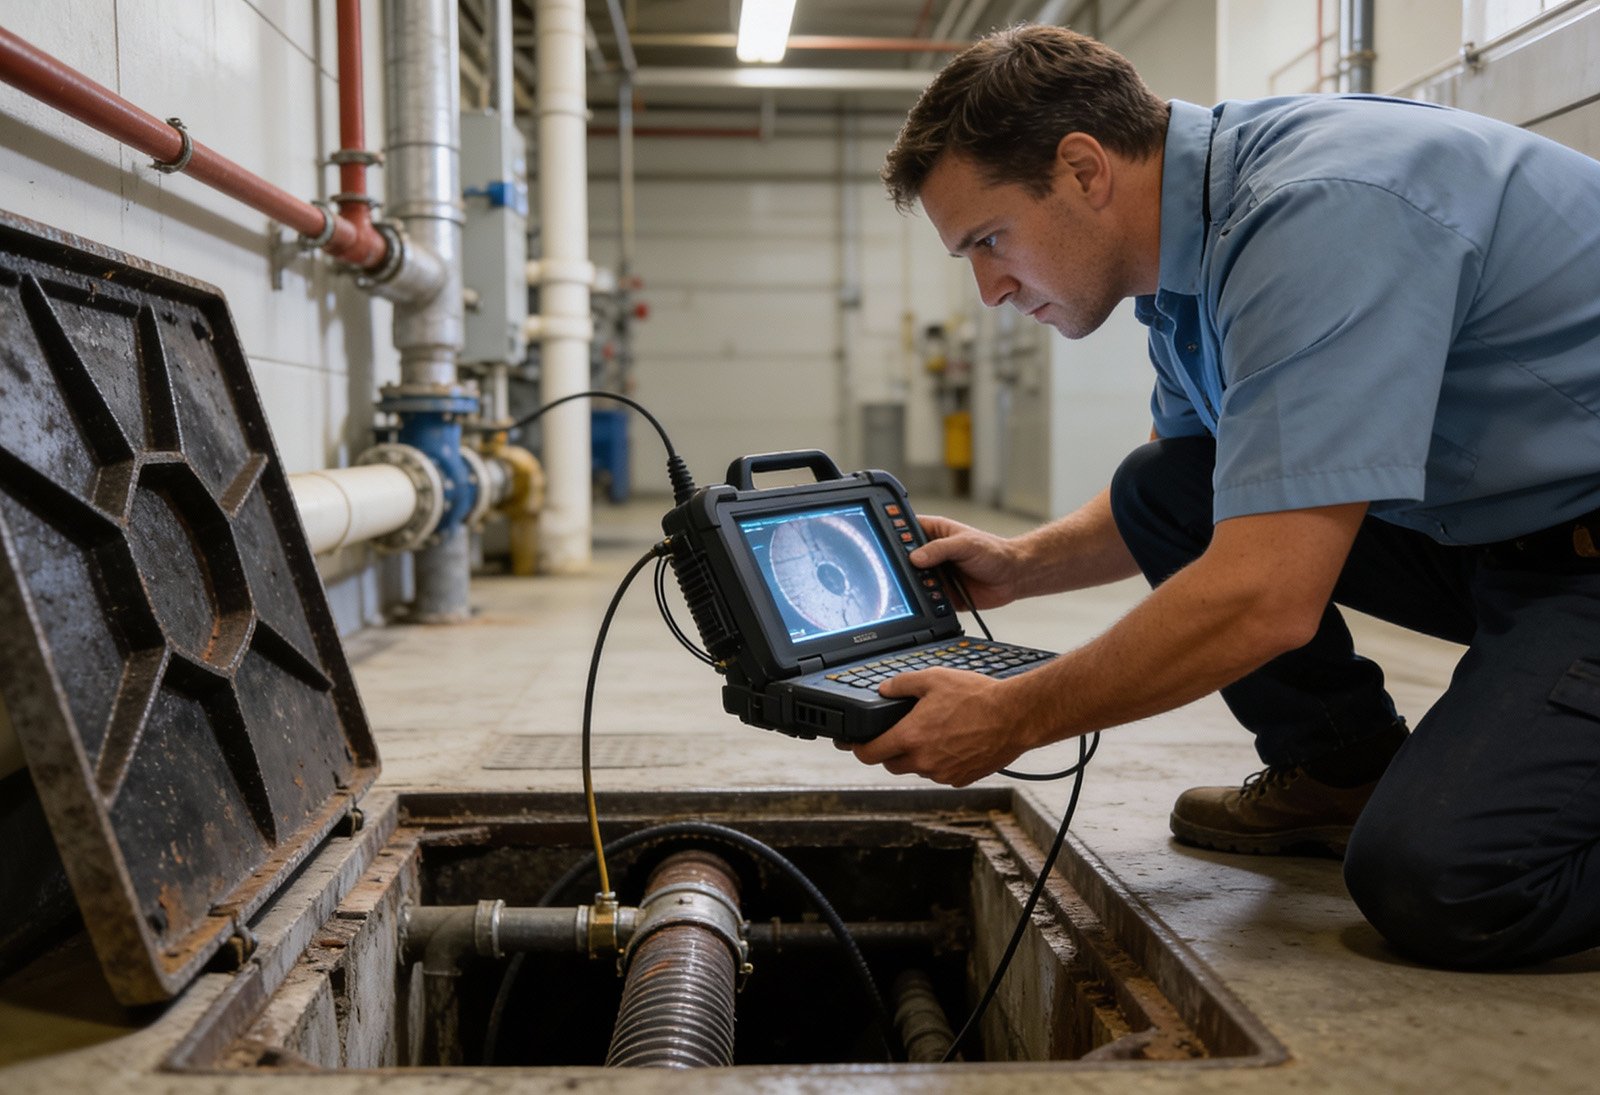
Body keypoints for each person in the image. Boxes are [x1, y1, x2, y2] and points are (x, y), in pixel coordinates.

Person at [854, 23, 1600, 970]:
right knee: (1168, 484)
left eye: (990, 239)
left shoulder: (1318, 212)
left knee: (1451, 879)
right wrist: (1020, 564)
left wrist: (1015, 713)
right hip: (1522, 536)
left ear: (1084, 169)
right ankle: (1342, 770)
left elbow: (1265, 595)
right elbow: (1193, 485)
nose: (991, 287)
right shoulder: (1190, 265)